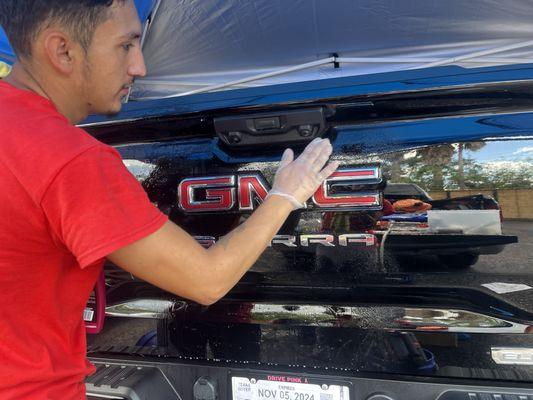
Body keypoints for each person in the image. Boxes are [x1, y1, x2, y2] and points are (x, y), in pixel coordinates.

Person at [0, 1, 338, 399]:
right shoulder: (66, 159)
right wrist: (285, 194)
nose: (139, 67)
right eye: (126, 45)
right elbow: (207, 280)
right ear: (63, 51)